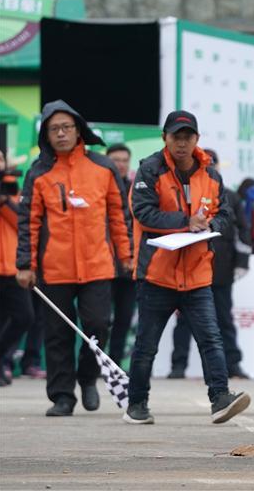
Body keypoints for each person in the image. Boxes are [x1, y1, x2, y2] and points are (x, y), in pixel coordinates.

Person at [126, 111, 250, 425]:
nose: (182, 143)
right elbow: (143, 213)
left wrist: (209, 224)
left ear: (196, 139)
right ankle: (136, 404)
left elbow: (225, 215)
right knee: (146, 346)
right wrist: (186, 222)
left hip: (197, 275)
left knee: (211, 339)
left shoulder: (211, 173)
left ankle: (220, 398)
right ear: (165, 138)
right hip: (156, 274)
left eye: (188, 137)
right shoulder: (149, 169)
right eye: (175, 137)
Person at [16, 101, 132, 416]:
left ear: (79, 129)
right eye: (54, 129)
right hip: (55, 269)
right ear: (46, 135)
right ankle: (62, 396)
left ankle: (88, 378)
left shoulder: (103, 167)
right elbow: (29, 222)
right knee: (56, 335)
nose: (62, 133)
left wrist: (127, 257)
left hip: (98, 266)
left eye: (67, 127)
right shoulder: (39, 172)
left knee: (98, 326)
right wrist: (25, 265)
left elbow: (119, 217)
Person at [169, 148, 251, 380]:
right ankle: (178, 366)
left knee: (224, 319)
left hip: (221, 270)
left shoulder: (231, 196)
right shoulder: (184, 193)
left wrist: (242, 262)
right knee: (184, 320)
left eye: (212, 165)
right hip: (189, 270)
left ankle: (233, 365)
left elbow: (243, 231)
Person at [0, 149, 34, 387]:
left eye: (0, 158)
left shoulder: (12, 189)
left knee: (24, 317)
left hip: (12, 268)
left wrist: (3, 202)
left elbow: (23, 221)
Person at [105, 143, 137, 365]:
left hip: (129, 265)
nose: (121, 165)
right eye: (116, 160)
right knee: (100, 320)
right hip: (103, 265)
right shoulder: (98, 188)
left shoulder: (138, 190)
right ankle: (95, 363)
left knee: (124, 318)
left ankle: (115, 363)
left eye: (125, 160)